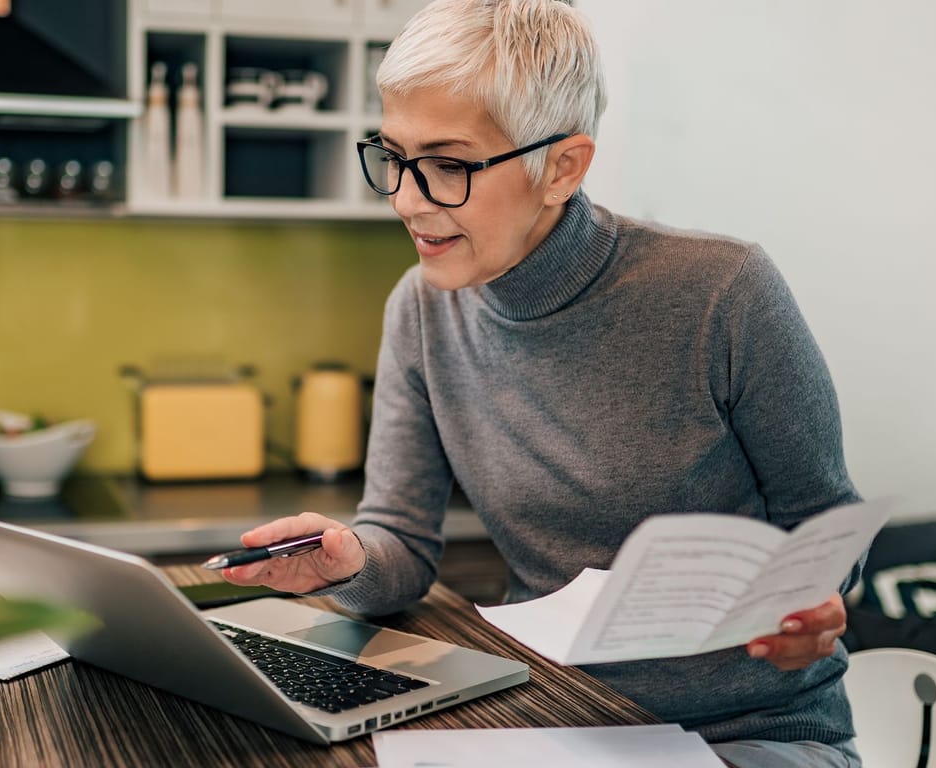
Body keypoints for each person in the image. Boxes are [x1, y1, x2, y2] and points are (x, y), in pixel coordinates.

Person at [221, 1, 864, 765]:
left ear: (562, 167)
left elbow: (826, 527)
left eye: (448, 165)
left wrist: (810, 607)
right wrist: (347, 561)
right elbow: (400, 543)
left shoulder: (724, 292)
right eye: (393, 155)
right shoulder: (422, 313)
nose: (405, 197)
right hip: (558, 718)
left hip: (753, 732)